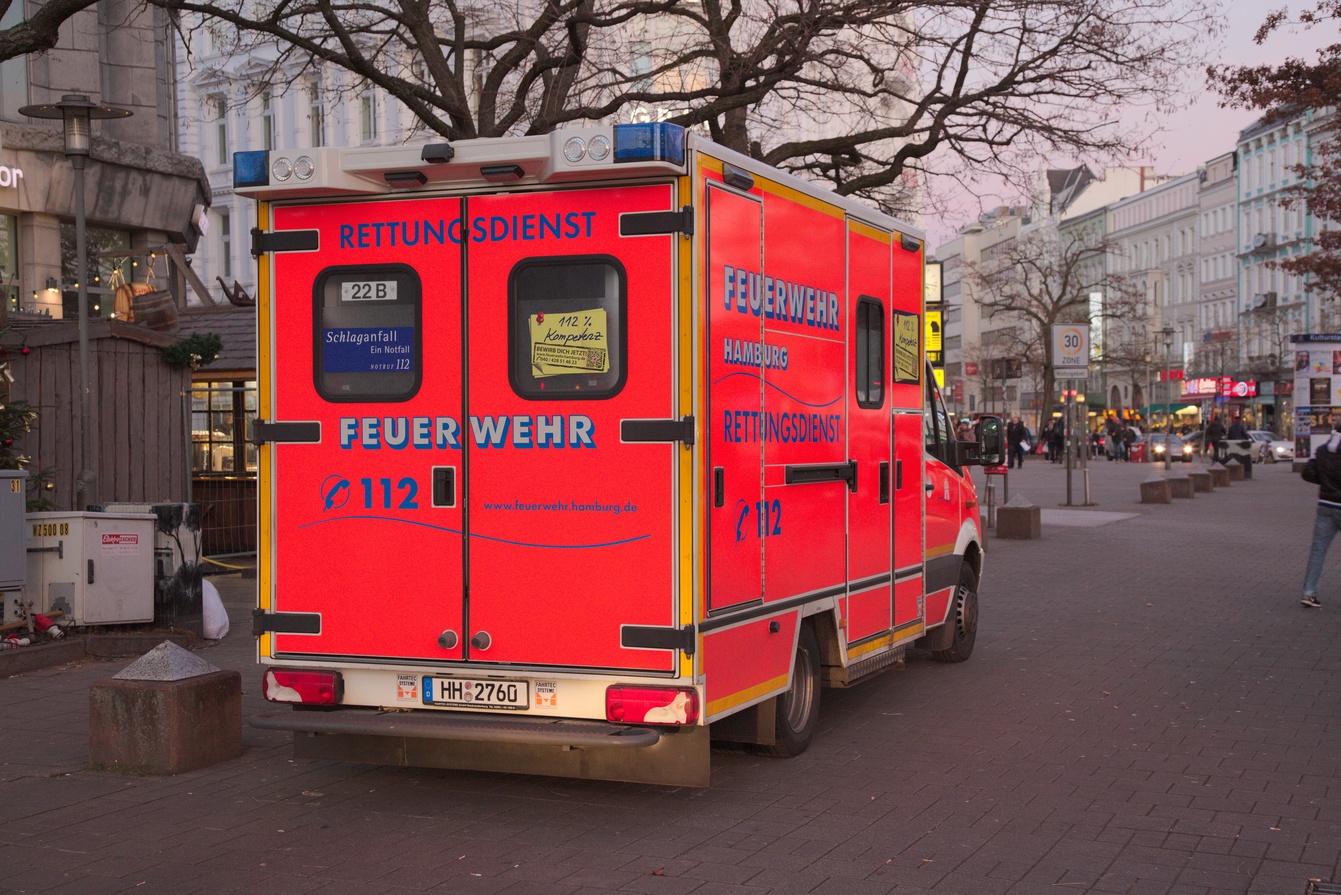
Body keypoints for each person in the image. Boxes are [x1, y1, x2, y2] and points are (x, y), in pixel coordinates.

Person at [1300, 426, 1341, 608]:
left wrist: (1325, 483)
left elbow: (1307, 473)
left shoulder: (1322, 450)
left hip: (1326, 505)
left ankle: (1309, 593)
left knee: (1318, 550)